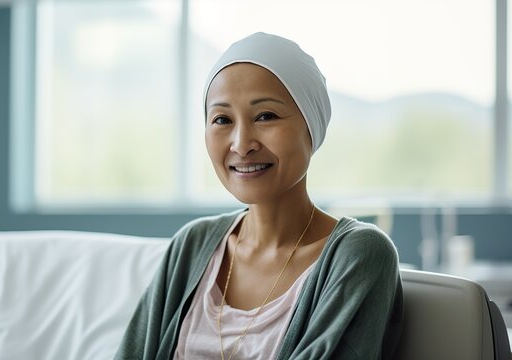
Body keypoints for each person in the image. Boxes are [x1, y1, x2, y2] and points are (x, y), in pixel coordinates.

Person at [115, 32, 403, 360]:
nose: (241, 143)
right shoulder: (192, 245)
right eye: (222, 119)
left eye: (265, 116)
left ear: (311, 125)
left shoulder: (358, 254)